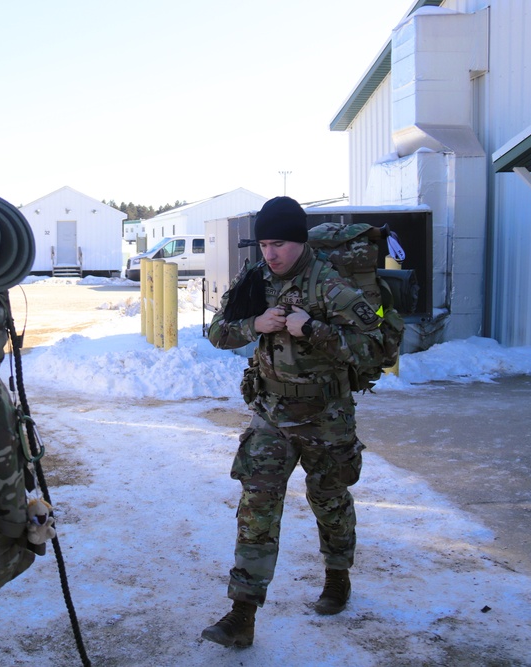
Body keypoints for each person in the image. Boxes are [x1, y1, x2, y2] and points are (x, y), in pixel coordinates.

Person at [201, 196, 385, 648]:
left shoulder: (332, 287)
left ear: (300, 242)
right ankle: (242, 613)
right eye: (264, 243)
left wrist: (314, 330)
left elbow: (377, 351)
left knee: (329, 498)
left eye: (279, 243)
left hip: (326, 415)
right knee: (257, 507)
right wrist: (254, 325)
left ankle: (337, 576)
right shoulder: (256, 280)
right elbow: (217, 331)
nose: (270, 253)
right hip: (271, 414)